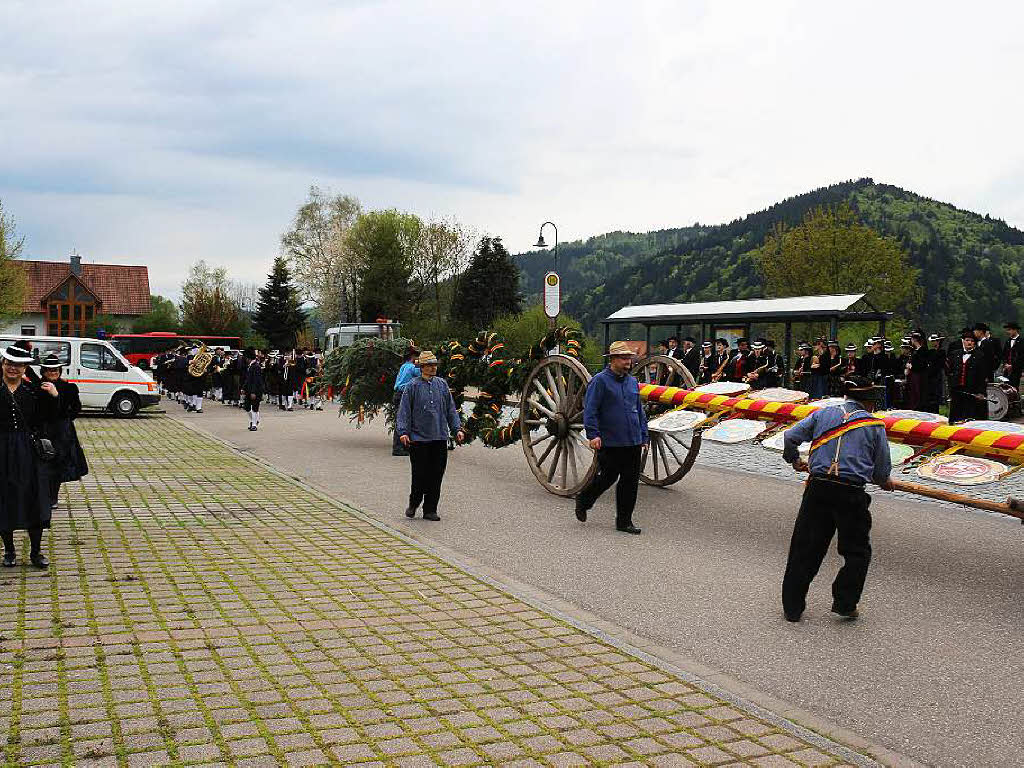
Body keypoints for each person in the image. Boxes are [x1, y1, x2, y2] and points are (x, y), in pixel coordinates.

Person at [781, 375, 893, 622]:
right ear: (870, 403)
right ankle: (844, 603)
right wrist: (885, 481)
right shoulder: (875, 426)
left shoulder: (823, 415)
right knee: (856, 552)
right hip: (851, 493)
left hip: (818, 488)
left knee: (805, 549)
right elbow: (881, 470)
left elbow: (790, 437)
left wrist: (795, 460)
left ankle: (792, 608)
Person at [574, 341, 648, 535]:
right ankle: (584, 500)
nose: (628, 363)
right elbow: (590, 410)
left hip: (632, 440)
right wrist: (593, 434)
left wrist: (644, 435)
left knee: (630, 481)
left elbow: (639, 410)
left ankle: (624, 522)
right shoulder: (599, 381)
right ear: (613, 360)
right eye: (624, 359)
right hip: (610, 440)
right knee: (607, 478)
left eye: (629, 359)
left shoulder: (632, 382)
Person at [1, 342, 59, 568]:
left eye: (18, 365)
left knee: (35, 498)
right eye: (9, 364)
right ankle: (9, 551)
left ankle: (35, 552)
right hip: (2, 449)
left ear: (25, 368)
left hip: (28, 450)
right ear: (3, 365)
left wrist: (54, 396)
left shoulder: (34, 391)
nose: (12, 368)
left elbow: (52, 419)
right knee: (4, 499)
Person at [397, 350, 464, 521]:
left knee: (436, 475)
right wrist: (403, 432)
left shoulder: (441, 385)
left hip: (439, 437)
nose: (433, 368)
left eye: (434, 365)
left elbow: (450, 409)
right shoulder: (412, 386)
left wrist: (457, 429)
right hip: (419, 439)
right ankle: (414, 503)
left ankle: (430, 509)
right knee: (419, 475)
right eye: (429, 365)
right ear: (421, 367)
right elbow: (404, 411)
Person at [37, 352, 88, 508]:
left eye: (56, 370)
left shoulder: (69, 387)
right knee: (41, 464)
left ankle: (53, 498)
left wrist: (65, 419)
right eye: (50, 370)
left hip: (61, 432)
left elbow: (76, 408)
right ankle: (41, 496)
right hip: (42, 429)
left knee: (58, 464)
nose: (53, 373)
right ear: (44, 371)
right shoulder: (37, 387)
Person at [948, 331, 988, 422]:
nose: (969, 342)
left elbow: (982, 376)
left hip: (971, 391)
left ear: (975, 343)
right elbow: (951, 372)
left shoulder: (980, 356)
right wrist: (951, 387)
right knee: (956, 415)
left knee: (969, 415)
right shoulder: (955, 354)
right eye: (967, 340)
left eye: (972, 341)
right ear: (963, 341)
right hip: (957, 390)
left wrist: (981, 392)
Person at [391, 346, 420, 456]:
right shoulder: (411, 368)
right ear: (413, 356)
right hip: (403, 395)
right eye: (417, 356)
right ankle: (398, 448)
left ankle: (404, 445)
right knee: (403, 420)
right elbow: (422, 374)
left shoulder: (404, 366)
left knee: (404, 420)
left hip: (399, 394)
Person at [241, 348, 264, 431]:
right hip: (249, 389)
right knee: (246, 407)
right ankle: (255, 420)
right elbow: (248, 379)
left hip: (255, 390)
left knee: (255, 407)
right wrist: (243, 388)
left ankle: (254, 424)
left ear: (248, 358)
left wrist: (253, 392)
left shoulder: (256, 367)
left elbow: (256, 380)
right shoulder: (250, 366)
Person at [925, 333, 946, 413]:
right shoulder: (930, 352)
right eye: (933, 341)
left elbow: (940, 364)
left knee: (937, 394)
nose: (934, 343)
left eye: (936, 341)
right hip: (930, 376)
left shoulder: (942, 352)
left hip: (937, 375)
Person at [1001, 322, 1023, 391]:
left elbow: (1022, 357)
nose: (1008, 332)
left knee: (1014, 389)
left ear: (1015, 330)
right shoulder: (1007, 341)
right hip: (1006, 370)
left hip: (1016, 370)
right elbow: (1004, 354)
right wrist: (1005, 364)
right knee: (1005, 388)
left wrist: (1012, 365)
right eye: (1007, 330)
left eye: (1009, 330)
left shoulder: (1022, 341)